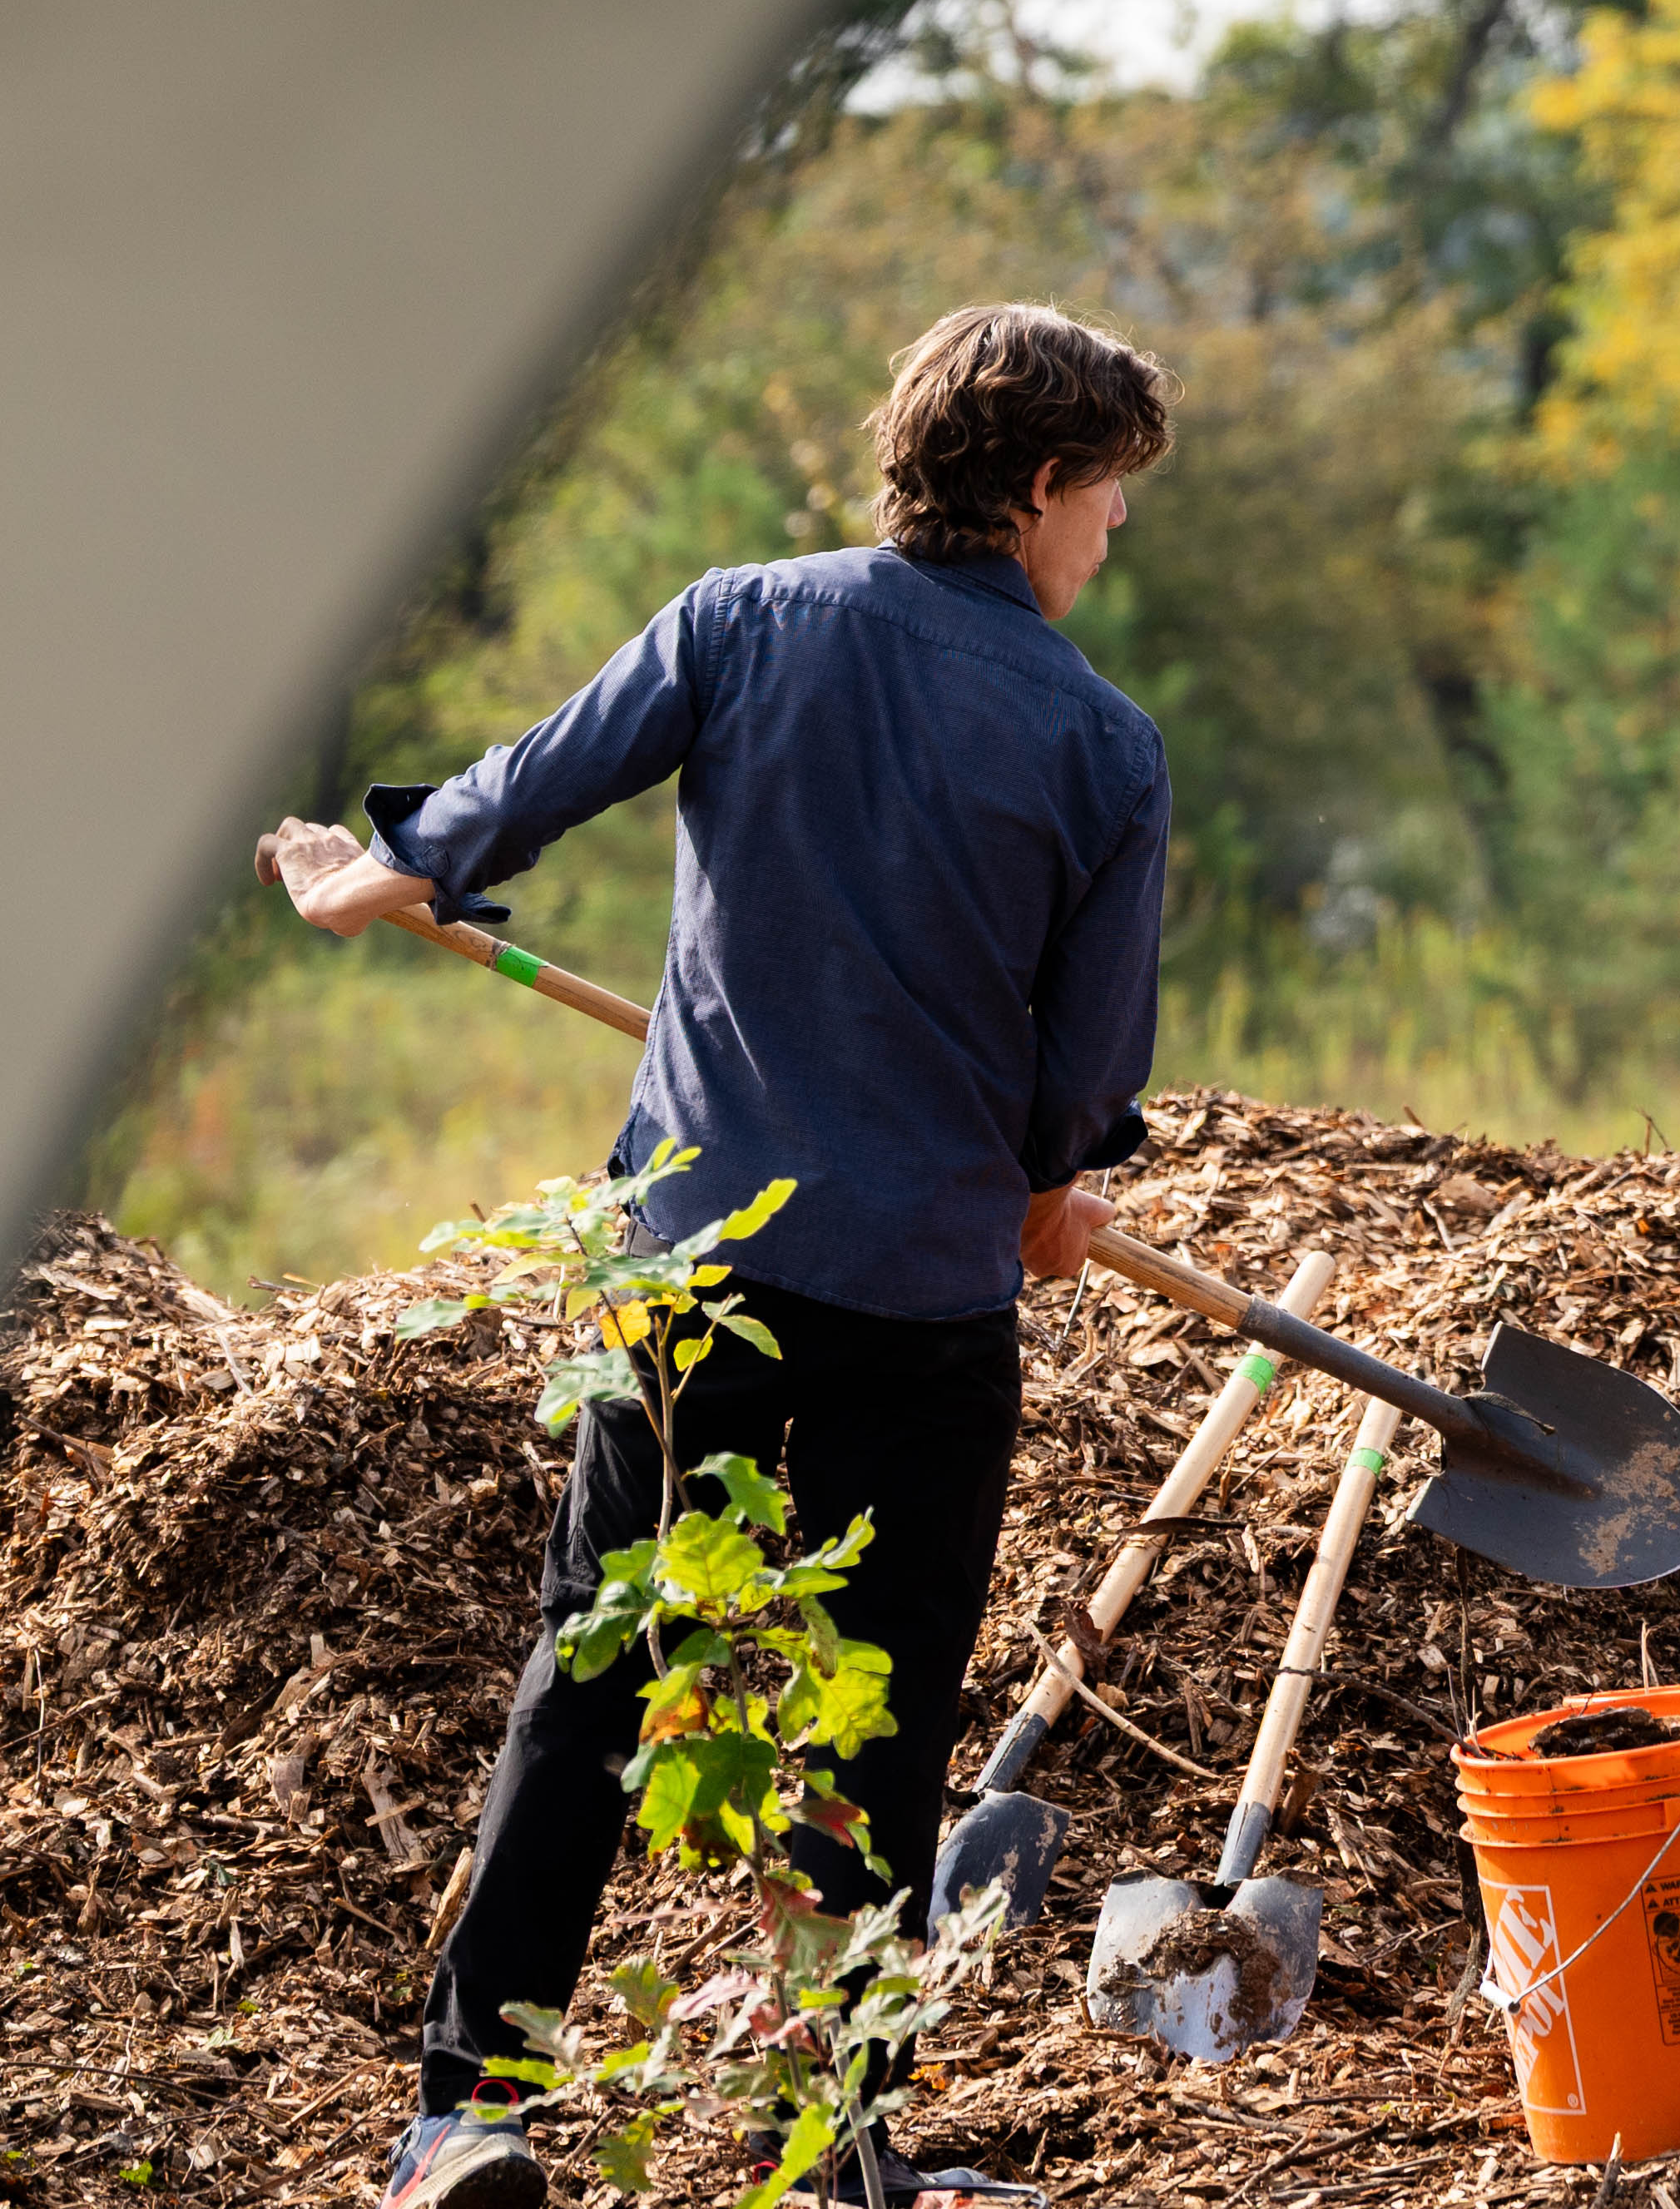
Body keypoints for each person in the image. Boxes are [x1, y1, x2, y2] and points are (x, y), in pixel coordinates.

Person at [258, 304, 1178, 2209]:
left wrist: (387, 857)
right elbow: (1081, 1082)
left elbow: (519, 785)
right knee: (886, 1712)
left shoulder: (739, 619)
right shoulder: (1102, 743)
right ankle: (840, 2146)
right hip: (928, 1307)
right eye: (1107, 502)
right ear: (1033, 488)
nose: (1109, 541)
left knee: (592, 1676)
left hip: (697, 1268)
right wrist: (1056, 1182)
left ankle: (466, 2116)